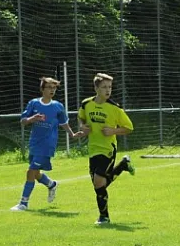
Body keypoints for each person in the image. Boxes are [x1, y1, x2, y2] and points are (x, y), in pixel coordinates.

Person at [75, 73, 135, 225]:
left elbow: (129, 128)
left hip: (108, 149)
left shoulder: (115, 108)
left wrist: (113, 131)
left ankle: (104, 217)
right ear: (96, 88)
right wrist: (83, 126)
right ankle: (123, 166)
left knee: (98, 183)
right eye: (104, 87)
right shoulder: (86, 104)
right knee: (99, 185)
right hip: (93, 148)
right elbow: (81, 117)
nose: (108, 90)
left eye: (110, 87)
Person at [11, 77, 78, 211]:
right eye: (49, 87)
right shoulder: (34, 104)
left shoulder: (58, 106)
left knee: (30, 172)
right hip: (35, 143)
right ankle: (51, 184)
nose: (52, 90)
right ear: (42, 89)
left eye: (54, 88)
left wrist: (72, 134)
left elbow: (64, 123)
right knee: (36, 174)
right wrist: (32, 119)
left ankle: (23, 203)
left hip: (48, 144)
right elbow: (23, 121)